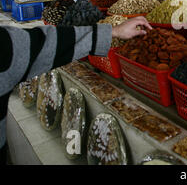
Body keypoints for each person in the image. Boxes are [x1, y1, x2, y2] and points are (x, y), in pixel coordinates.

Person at [0, 16, 152, 165]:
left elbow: (43, 44)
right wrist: (113, 32)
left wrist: (112, 32)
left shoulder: (6, 47)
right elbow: (43, 44)